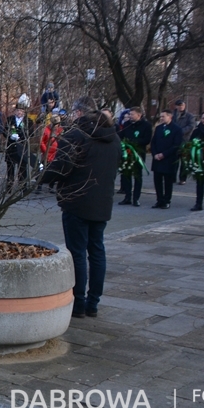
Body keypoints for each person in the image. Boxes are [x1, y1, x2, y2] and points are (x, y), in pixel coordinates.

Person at [41, 98, 119, 319]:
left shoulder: (76, 135)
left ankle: (78, 303)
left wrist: (41, 178)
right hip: (102, 202)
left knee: (77, 253)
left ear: (78, 113)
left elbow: (61, 166)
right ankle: (93, 303)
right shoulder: (113, 138)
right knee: (97, 251)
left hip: (77, 201)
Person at [117, 106, 151, 207]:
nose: (130, 116)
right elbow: (121, 135)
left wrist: (133, 143)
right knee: (126, 175)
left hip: (138, 154)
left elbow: (147, 140)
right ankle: (127, 197)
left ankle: (136, 198)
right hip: (127, 153)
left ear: (139, 115)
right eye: (129, 114)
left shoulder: (146, 125)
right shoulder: (127, 124)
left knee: (137, 176)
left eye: (132, 114)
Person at [150, 110, 183, 209]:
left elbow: (176, 145)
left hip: (168, 159)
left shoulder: (177, 129)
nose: (161, 118)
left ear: (170, 116)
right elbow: (153, 142)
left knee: (168, 182)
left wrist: (163, 154)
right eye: (160, 117)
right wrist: (155, 154)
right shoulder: (158, 128)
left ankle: (167, 200)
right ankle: (159, 200)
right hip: (157, 159)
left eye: (163, 116)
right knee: (157, 181)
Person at [4, 98, 34, 187]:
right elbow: (4, 131)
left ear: (24, 112)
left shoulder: (28, 121)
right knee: (10, 168)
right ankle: (9, 187)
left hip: (22, 147)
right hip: (11, 147)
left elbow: (31, 133)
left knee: (23, 168)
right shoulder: (10, 119)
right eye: (17, 110)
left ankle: (22, 187)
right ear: (15, 111)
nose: (19, 112)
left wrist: (21, 137)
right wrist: (10, 136)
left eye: (21, 111)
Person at [39, 110, 64, 193]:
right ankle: (39, 185)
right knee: (43, 170)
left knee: (54, 170)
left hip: (55, 153)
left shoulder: (60, 130)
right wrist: (45, 151)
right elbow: (41, 142)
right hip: (46, 153)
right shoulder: (46, 130)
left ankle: (51, 186)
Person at [171, 100, 195, 184]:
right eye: (179, 105)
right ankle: (172, 178)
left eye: (182, 105)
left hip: (185, 141)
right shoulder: (172, 115)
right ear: (176, 106)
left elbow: (191, 126)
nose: (181, 107)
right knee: (174, 161)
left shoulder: (189, 116)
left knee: (184, 162)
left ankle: (182, 179)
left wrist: (180, 132)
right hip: (174, 141)